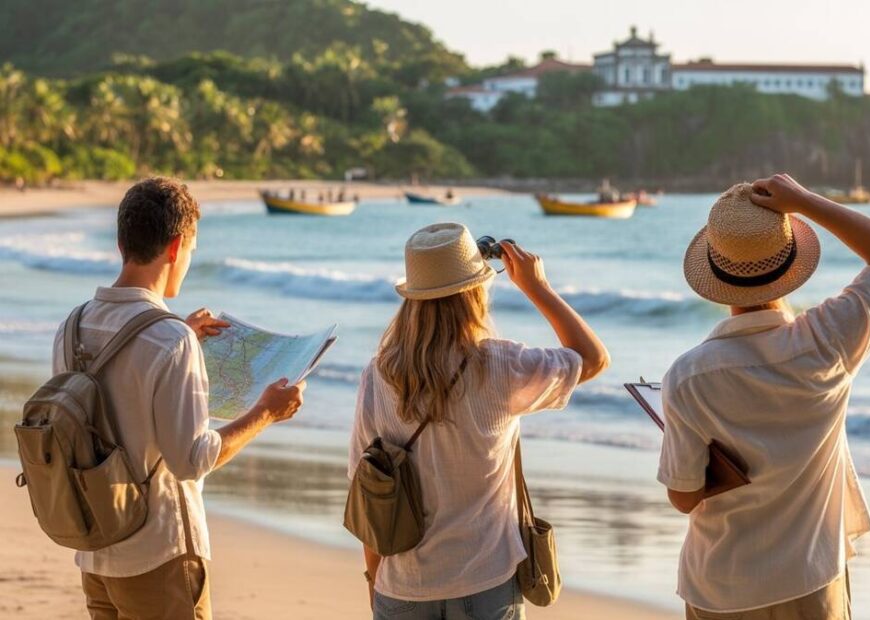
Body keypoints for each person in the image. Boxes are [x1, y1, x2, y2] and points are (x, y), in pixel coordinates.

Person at [658, 176, 870, 619]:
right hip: (810, 577)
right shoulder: (828, 342)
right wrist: (805, 200)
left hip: (721, 585)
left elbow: (684, 498)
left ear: (715, 273)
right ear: (792, 262)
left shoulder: (688, 377)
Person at [53, 177, 307, 619]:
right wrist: (265, 413)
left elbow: (107, 401)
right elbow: (191, 460)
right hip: (158, 556)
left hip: (96, 554)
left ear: (121, 242)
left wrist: (180, 336)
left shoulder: (72, 326)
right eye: (191, 249)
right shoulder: (169, 340)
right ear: (175, 247)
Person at [349, 223, 610, 620]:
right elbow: (592, 359)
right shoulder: (501, 366)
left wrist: (375, 579)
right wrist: (537, 287)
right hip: (485, 583)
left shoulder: (378, 375)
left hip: (402, 586)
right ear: (475, 293)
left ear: (413, 299)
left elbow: (368, 485)